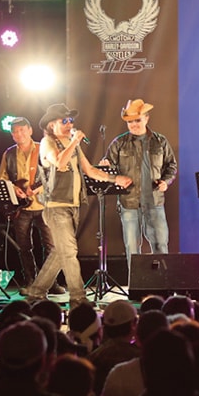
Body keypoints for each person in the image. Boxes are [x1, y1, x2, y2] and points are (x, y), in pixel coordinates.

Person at [21, 103, 132, 305]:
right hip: (56, 206)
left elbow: (90, 171)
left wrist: (115, 179)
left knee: (60, 252)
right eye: (64, 121)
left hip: (73, 206)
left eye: (70, 120)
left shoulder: (72, 144)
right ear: (52, 125)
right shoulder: (47, 143)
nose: (69, 124)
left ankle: (36, 292)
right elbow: (59, 162)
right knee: (70, 251)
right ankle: (78, 297)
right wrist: (74, 142)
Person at [101, 98, 178, 269]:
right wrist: (110, 172)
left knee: (160, 244)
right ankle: (136, 282)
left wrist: (166, 182)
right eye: (130, 122)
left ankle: (162, 280)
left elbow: (171, 166)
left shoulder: (160, 141)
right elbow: (107, 170)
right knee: (132, 247)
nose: (133, 125)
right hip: (129, 202)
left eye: (137, 120)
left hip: (155, 201)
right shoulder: (119, 143)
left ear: (146, 118)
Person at [0, 116, 63, 293]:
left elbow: (55, 173)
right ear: (12, 135)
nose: (19, 134)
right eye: (15, 132)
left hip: (43, 205)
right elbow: (1, 178)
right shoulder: (9, 154)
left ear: (30, 130)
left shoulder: (43, 149)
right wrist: (14, 189)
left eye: (22, 130)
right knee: (24, 247)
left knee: (51, 247)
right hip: (21, 207)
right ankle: (30, 281)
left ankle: (50, 283)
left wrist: (38, 189)